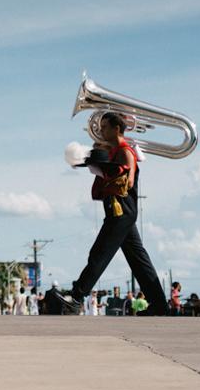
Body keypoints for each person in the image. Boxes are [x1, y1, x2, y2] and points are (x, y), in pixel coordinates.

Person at [54, 113, 167, 315]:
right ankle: (160, 306)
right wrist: (99, 159)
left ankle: (77, 297)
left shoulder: (125, 152)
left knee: (99, 253)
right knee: (139, 262)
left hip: (121, 211)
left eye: (105, 127)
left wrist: (103, 167)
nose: (101, 131)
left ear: (116, 128)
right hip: (120, 211)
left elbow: (128, 181)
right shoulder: (115, 151)